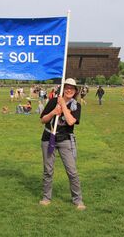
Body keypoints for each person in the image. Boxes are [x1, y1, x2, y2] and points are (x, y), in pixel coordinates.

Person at [39, 78, 86, 210]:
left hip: (65, 140)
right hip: (48, 138)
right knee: (48, 170)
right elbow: (43, 120)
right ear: (63, 89)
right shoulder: (53, 101)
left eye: (72, 88)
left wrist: (64, 106)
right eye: (67, 87)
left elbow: (71, 121)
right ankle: (46, 197)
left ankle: (78, 200)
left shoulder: (76, 105)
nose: (69, 90)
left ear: (75, 91)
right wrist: (54, 112)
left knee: (72, 171)